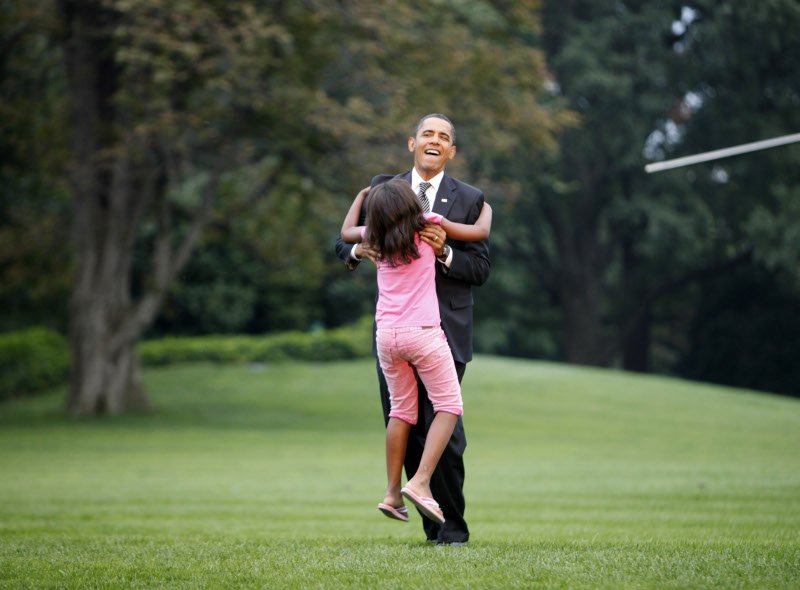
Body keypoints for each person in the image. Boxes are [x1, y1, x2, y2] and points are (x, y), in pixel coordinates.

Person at [335, 113, 490, 545]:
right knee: (406, 420)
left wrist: (446, 256)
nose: (435, 141)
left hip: (445, 330)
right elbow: (342, 239)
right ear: (412, 143)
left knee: (444, 434)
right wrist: (355, 250)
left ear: (452, 151)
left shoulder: (470, 197)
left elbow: (479, 266)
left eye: (444, 137)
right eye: (428, 134)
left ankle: (452, 531)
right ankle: (429, 526)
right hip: (405, 331)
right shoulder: (385, 190)